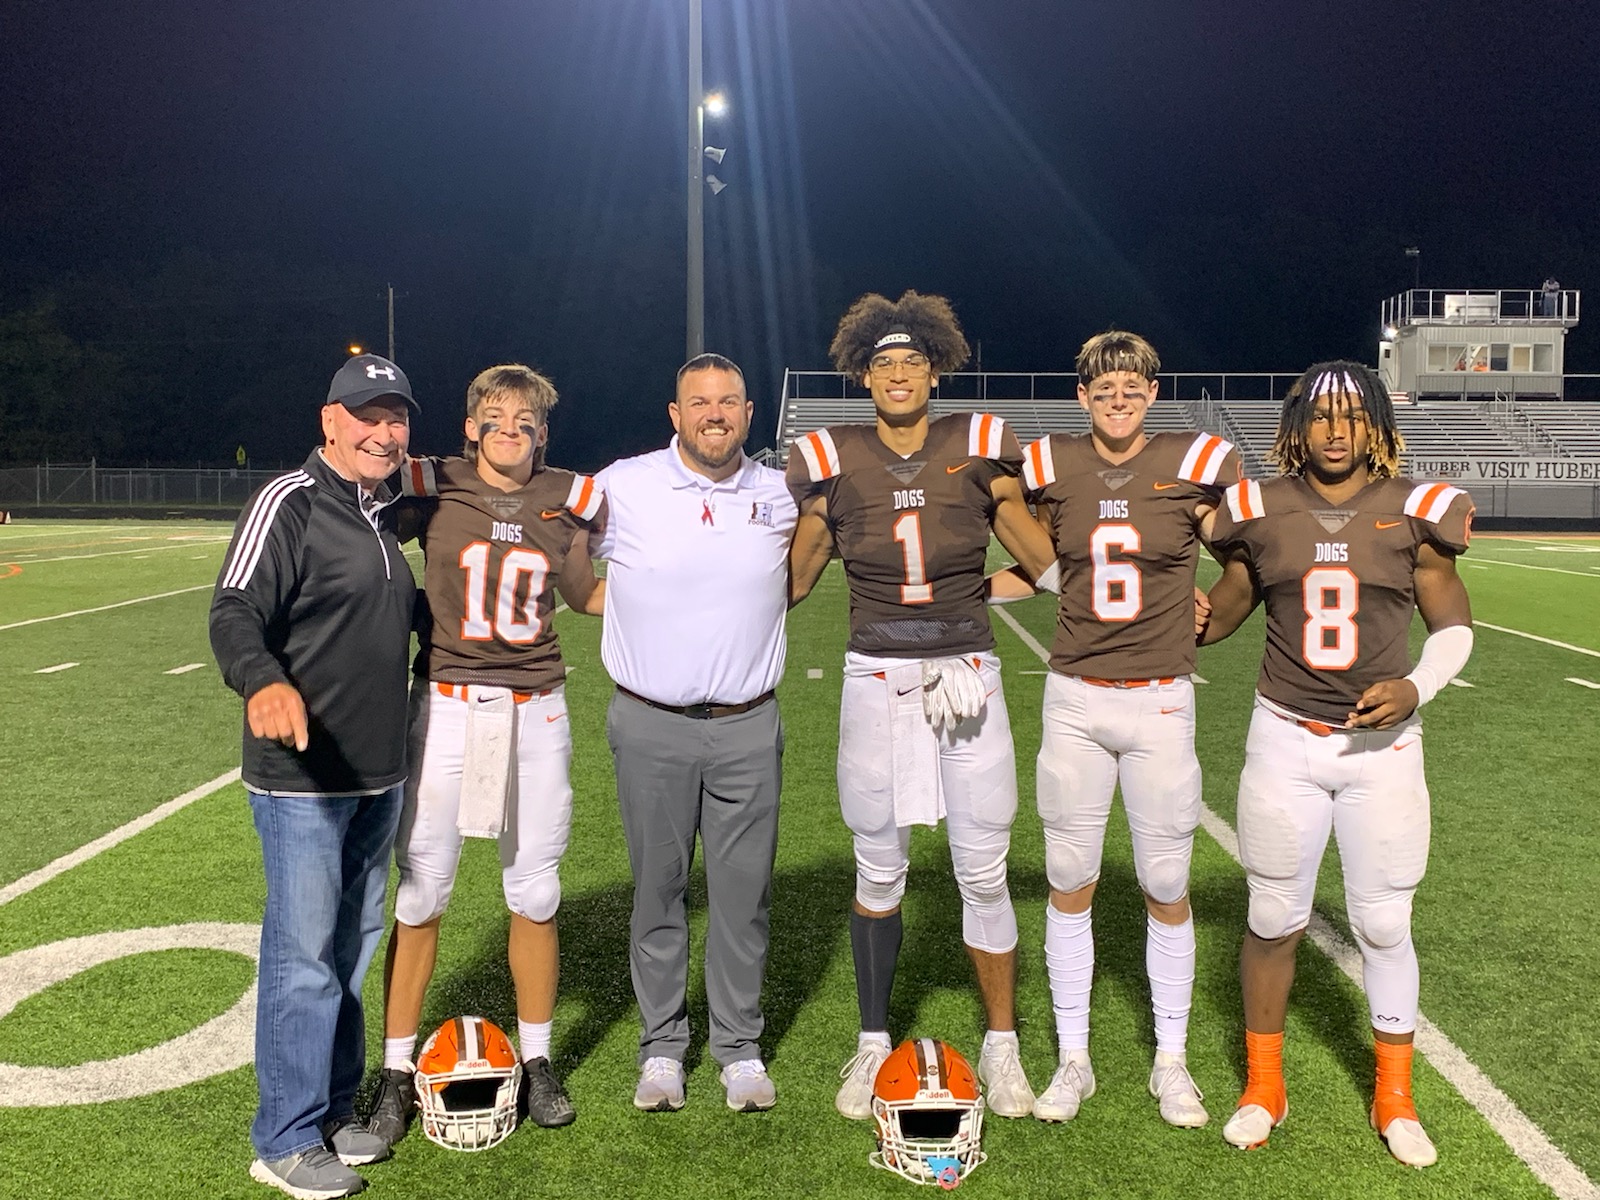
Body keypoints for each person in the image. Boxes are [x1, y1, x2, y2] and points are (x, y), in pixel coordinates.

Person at [787, 291, 1058, 1122]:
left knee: (981, 868)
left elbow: (1045, 567)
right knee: (879, 868)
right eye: (883, 364)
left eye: (912, 363)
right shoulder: (828, 456)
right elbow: (793, 580)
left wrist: (981, 595)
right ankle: (873, 1042)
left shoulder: (979, 444)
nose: (898, 375)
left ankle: (1002, 1045)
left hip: (965, 670)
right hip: (875, 676)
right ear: (862, 375)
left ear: (934, 370)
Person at [1200, 360, 1474, 1167]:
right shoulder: (1258, 507)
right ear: (1296, 427)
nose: (1333, 429)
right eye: (1319, 415)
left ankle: (1395, 1097)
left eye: (1351, 415)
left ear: (1376, 426)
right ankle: (1263, 1086)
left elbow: (1453, 622)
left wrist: (1418, 684)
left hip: (1381, 749)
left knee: (1385, 923)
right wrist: (1182, 620)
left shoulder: (1418, 511)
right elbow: (1230, 606)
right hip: (1284, 739)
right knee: (1272, 915)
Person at [992, 330, 1240, 1127]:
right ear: (1082, 397)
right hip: (1075, 698)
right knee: (1071, 882)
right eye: (1104, 388)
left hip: (1163, 698)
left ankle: (1171, 1060)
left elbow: (1253, 550)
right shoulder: (1049, 464)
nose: (1120, 398)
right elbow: (1010, 534)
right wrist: (950, 591)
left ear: (1154, 393)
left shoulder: (1195, 462)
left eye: (1133, 386)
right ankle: (1074, 1059)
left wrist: (1221, 607)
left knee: (1166, 884)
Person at [366, 365, 605, 1149]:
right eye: (495, 417)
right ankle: (396, 1069)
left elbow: (583, 592)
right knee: (421, 891)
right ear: (471, 425)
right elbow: (354, 514)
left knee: (535, 891)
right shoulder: (430, 482)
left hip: (537, 709)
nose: (511, 429)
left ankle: (536, 1059)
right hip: (447, 705)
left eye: (526, 420)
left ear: (544, 432)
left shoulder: (570, 495)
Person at [210, 354, 420, 1199]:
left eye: (397, 417)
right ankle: (284, 1138)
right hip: (301, 783)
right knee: (302, 959)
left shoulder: (383, 511)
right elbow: (232, 607)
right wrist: (261, 680)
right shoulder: (289, 502)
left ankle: (332, 1111)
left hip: (377, 777)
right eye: (367, 415)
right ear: (329, 421)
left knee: (349, 951)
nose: (384, 431)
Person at [593, 352, 797, 1113]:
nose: (715, 413)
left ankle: (739, 1048)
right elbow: (575, 575)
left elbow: (797, 581)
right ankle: (662, 1047)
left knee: (744, 897)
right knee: (660, 891)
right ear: (675, 414)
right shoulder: (625, 484)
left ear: (749, 414)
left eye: (729, 401)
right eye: (699, 401)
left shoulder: (779, 495)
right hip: (651, 723)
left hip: (748, 723)